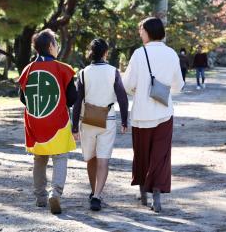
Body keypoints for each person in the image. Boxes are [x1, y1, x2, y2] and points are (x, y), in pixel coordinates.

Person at [123, 17, 184, 213]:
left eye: (141, 30)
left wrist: (137, 91)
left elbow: (127, 84)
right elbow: (178, 86)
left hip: (141, 113)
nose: (140, 34)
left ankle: (142, 192)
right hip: (164, 112)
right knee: (161, 155)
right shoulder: (171, 53)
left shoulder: (139, 54)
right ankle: (156, 193)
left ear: (148, 32)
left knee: (141, 154)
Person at [18, 29, 77, 215]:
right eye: (56, 43)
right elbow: (72, 98)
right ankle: (56, 193)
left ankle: (40, 197)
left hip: (35, 122)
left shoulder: (27, 70)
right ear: (51, 46)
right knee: (60, 157)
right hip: (57, 122)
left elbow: (23, 98)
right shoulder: (63, 69)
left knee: (39, 158)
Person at [71, 38, 129, 212]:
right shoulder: (113, 71)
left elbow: (77, 100)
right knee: (103, 159)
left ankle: (93, 190)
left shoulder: (83, 73)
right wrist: (125, 120)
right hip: (108, 119)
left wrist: (74, 126)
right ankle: (97, 195)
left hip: (87, 118)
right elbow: (122, 97)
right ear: (105, 53)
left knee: (91, 158)